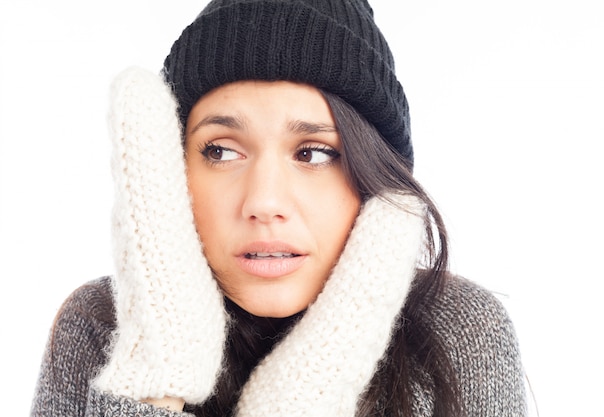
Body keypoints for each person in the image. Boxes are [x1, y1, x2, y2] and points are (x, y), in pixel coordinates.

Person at [31, 0, 527, 416]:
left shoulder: (458, 331)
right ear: (167, 170)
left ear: (374, 178)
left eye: (313, 153)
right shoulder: (102, 326)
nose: (264, 203)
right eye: (221, 151)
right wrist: (157, 377)